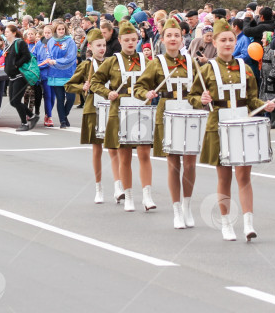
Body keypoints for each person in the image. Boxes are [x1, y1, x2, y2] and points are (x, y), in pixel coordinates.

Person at [188, 19, 275, 241]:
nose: (227, 43)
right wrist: (202, 99)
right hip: (218, 124)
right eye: (223, 40)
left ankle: (248, 223)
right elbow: (193, 96)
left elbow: (252, 99)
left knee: (244, 175)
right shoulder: (207, 69)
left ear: (236, 42)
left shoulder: (245, 68)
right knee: (224, 176)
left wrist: (264, 105)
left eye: (231, 40)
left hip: (242, 124)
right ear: (215, 43)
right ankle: (226, 223)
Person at [135, 18, 197, 229]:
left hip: (189, 111)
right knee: (174, 163)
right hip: (168, 111)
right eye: (168, 35)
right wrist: (148, 93)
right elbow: (139, 87)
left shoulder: (191, 62)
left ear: (182, 39)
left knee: (190, 162)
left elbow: (202, 86)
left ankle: (187, 205)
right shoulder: (156, 63)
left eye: (176, 35)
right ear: (161, 39)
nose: (173, 39)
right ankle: (177, 209)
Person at [91, 21, 155, 212]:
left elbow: (158, 81)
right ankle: (128, 196)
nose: (130, 43)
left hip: (142, 109)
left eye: (133, 40)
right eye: (126, 40)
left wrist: (151, 93)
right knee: (124, 155)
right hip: (120, 110)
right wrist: (107, 92)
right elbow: (95, 81)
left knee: (144, 154)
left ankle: (147, 195)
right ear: (119, 40)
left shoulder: (148, 62)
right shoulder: (112, 61)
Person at [66, 28, 121, 203]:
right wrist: (82, 87)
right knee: (97, 150)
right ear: (90, 46)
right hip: (93, 109)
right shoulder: (86, 65)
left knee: (113, 148)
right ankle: (98, 187)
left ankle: (118, 186)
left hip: (110, 109)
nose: (102, 48)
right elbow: (69, 85)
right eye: (98, 45)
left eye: (104, 45)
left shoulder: (112, 63)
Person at [44, 20, 77, 128]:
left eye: (63, 29)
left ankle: (64, 116)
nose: (61, 31)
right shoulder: (51, 41)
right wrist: (50, 60)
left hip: (68, 73)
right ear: (55, 30)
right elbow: (48, 53)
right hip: (55, 73)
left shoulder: (70, 41)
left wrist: (57, 61)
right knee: (60, 98)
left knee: (71, 98)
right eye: (59, 29)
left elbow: (71, 57)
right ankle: (62, 121)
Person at [4, 24, 36, 131]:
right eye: (5, 31)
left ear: (14, 33)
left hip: (20, 76)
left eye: (8, 31)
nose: (5, 33)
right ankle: (32, 116)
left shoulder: (20, 42)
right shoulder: (8, 44)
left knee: (16, 100)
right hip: (12, 76)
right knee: (13, 102)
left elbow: (26, 56)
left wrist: (16, 64)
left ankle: (25, 123)